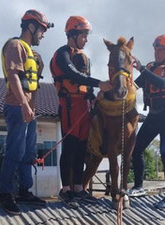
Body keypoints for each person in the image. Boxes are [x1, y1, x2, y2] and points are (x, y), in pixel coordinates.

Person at [50, 15, 112, 209]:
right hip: (69, 106)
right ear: (73, 34)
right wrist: (98, 82)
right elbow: (72, 75)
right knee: (69, 148)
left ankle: (79, 188)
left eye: (86, 35)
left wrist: (94, 98)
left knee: (80, 149)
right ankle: (66, 190)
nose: (86, 39)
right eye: (83, 35)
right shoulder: (62, 54)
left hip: (83, 107)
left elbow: (86, 83)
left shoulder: (85, 58)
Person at [0, 9, 53, 214]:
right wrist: (23, 104)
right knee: (15, 150)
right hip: (16, 107)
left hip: (30, 110)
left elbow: (33, 85)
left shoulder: (32, 53)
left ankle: (23, 191)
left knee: (29, 152)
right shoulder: (15, 46)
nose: (43, 34)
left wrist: (31, 108)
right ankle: (5, 194)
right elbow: (13, 76)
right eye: (42, 30)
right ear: (31, 26)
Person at [130, 33, 165, 209]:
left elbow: (164, 83)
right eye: (155, 49)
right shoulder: (151, 67)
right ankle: (139, 187)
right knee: (136, 149)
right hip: (154, 115)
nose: (156, 53)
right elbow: (135, 86)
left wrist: (142, 70)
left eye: (160, 50)